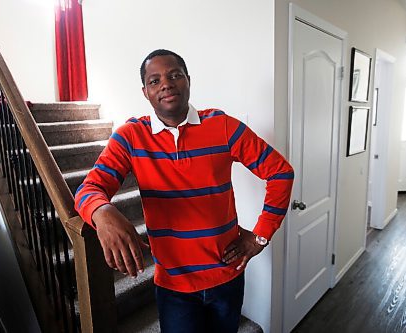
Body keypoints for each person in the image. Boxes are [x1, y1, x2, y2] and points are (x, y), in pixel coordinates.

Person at [74, 49, 294, 333]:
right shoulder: (131, 136)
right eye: (155, 80)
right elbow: (89, 188)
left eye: (175, 75)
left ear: (188, 80)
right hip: (173, 287)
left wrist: (260, 236)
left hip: (227, 277)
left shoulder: (222, 126)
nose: (166, 83)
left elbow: (280, 172)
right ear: (145, 92)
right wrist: (102, 212)